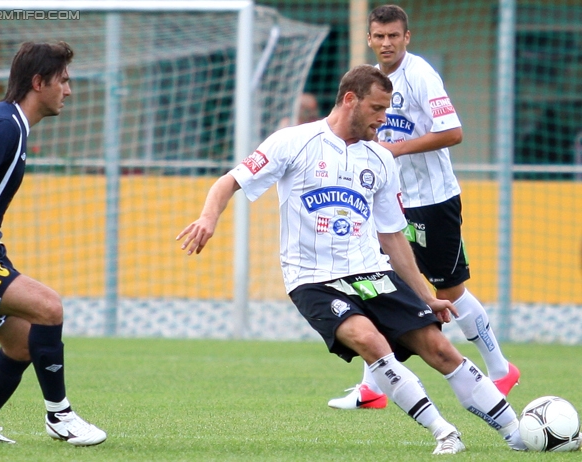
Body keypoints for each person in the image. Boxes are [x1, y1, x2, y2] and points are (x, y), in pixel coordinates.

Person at [178, 64, 526, 454]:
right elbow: (230, 180)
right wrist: (208, 217)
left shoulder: (381, 159)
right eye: (377, 109)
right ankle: (445, 433)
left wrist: (425, 296)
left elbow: (392, 237)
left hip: (372, 271)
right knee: (369, 340)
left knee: (440, 348)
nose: (384, 119)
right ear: (350, 100)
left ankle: (519, 433)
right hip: (312, 279)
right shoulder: (292, 141)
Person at [328, 4, 520, 411]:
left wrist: (394, 149)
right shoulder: (373, 82)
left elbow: (453, 132)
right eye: (379, 36)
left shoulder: (420, 75)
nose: (386, 43)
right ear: (369, 38)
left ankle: (501, 370)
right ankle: (373, 387)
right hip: (392, 202)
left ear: (406, 37)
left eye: (393, 36)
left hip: (433, 201)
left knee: (449, 291)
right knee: (381, 283)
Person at [0, 41, 106, 446]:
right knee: (48, 307)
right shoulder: (5, 125)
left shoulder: (7, 122)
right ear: (39, 82)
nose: (68, 91)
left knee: (20, 345)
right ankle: (60, 416)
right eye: (63, 81)